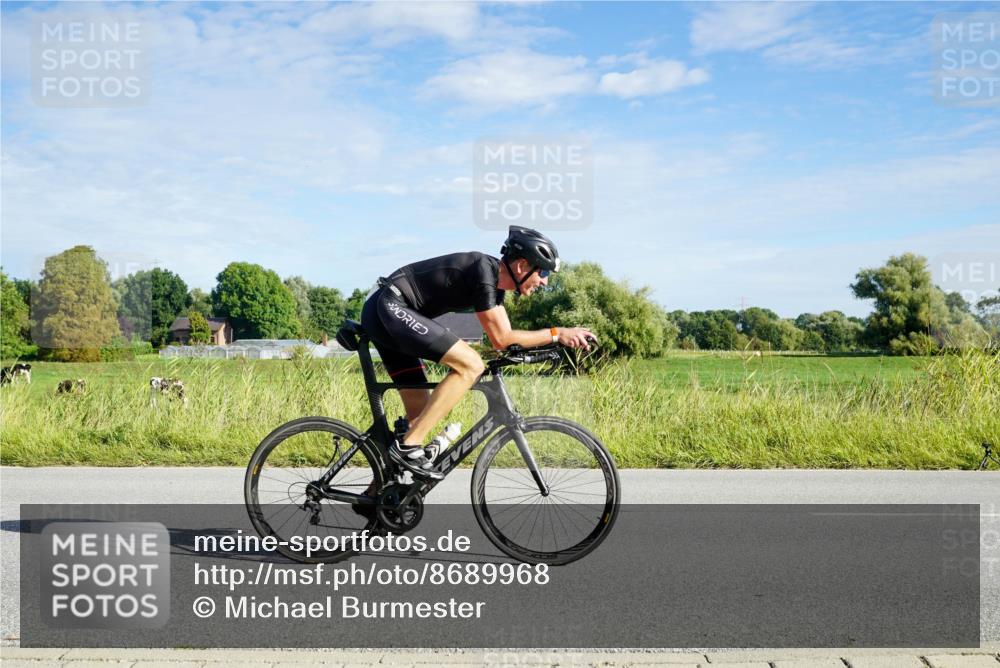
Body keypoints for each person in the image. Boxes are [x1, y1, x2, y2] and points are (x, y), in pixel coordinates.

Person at [359, 225, 596, 480]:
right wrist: (557, 333)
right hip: (390, 306)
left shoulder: (495, 289)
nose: (545, 281)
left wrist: (549, 344)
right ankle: (407, 448)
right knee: (471, 365)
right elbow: (502, 339)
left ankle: (380, 492)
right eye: (543, 271)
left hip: (385, 313)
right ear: (522, 266)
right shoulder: (484, 273)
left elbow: (503, 341)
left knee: (419, 414)